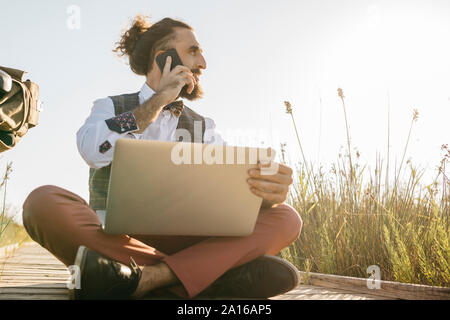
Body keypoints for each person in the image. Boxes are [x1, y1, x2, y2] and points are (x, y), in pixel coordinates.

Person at [22, 15, 303, 300]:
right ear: (163, 57)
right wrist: (160, 100)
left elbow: (232, 193)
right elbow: (92, 149)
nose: (203, 63)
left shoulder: (204, 127)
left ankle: (146, 279)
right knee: (42, 202)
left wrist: (265, 194)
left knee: (287, 218)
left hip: (188, 242)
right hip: (116, 239)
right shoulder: (110, 107)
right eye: (193, 51)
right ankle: (208, 279)